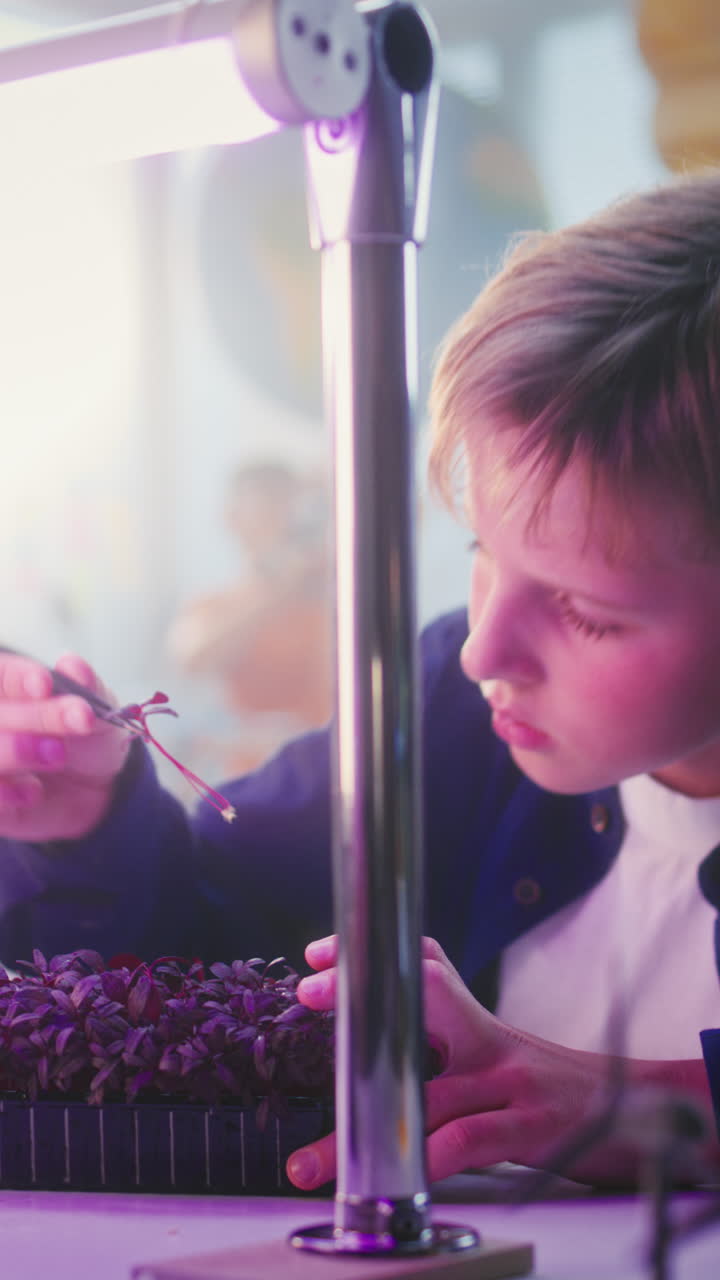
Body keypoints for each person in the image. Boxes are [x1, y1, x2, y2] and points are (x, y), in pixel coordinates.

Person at [1, 172, 720, 1191]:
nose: (484, 648)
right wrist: (88, 829)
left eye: (587, 611)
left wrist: (659, 1102)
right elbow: (200, 945)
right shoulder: (446, 709)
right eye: (483, 547)